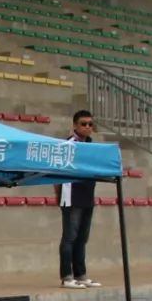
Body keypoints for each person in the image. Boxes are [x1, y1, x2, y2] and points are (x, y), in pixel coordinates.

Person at [56, 110, 101, 290]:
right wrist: (58, 195)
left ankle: (80, 274)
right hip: (71, 195)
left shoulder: (92, 145)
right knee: (70, 236)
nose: (88, 127)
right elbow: (59, 172)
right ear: (75, 125)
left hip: (87, 195)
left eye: (90, 124)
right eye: (83, 124)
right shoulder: (69, 144)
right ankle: (67, 276)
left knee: (82, 237)